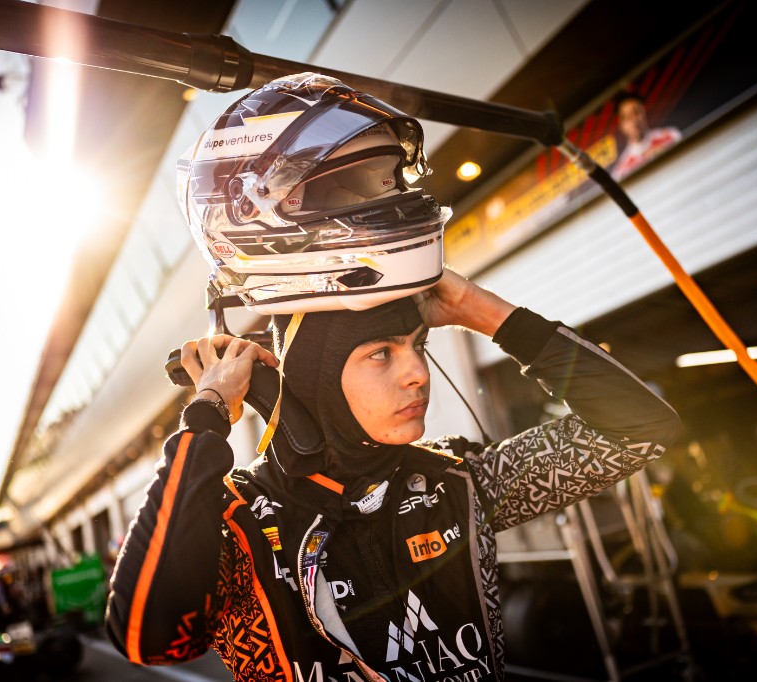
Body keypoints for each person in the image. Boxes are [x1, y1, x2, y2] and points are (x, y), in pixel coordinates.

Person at [106, 73, 681, 680]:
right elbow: (150, 635)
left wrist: (488, 314)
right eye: (381, 353)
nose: (417, 374)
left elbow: (639, 429)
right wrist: (206, 418)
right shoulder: (245, 519)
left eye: (418, 344)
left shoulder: (456, 483)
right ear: (313, 376)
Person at [611, 90, 682, 181]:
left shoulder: (671, 136)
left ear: (644, 112)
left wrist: (667, 155)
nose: (634, 120)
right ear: (621, 125)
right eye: (627, 117)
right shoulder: (621, 172)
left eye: (636, 112)